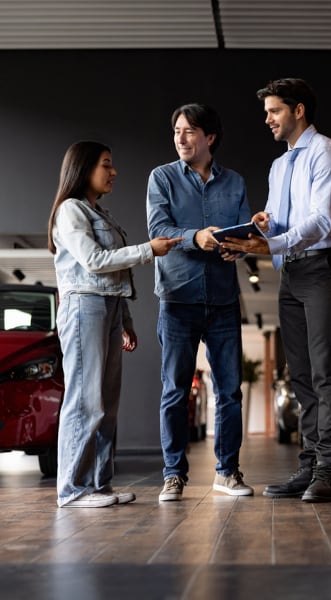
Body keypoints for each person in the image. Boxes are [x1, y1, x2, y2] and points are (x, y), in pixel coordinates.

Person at [219, 78, 331, 503]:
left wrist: (272, 242)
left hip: (322, 269)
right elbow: (282, 224)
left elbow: (320, 221)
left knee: (325, 370)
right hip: (292, 273)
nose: (267, 119)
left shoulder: (326, 153)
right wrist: (257, 232)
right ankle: (310, 465)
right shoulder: (279, 166)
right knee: (300, 375)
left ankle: (328, 471)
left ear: (298, 110)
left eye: (274, 110)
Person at [47, 140, 182, 508]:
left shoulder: (100, 213)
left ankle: (98, 485)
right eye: (106, 164)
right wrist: (148, 250)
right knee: (84, 400)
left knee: (106, 404)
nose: (114, 171)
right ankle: (73, 490)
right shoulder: (70, 211)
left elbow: (113, 272)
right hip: (83, 308)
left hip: (107, 309)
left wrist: (124, 319)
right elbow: (94, 260)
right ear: (83, 168)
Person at [147, 103, 254, 502]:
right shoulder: (161, 178)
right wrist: (197, 237)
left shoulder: (235, 182)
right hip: (177, 299)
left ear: (210, 137)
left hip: (224, 300)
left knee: (230, 391)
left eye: (190, 131)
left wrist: (237, 248)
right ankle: (173, 474)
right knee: (175, 390)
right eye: (177, 130)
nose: (180, 137)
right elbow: (158, 228)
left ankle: (227, 472)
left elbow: (242, 234)